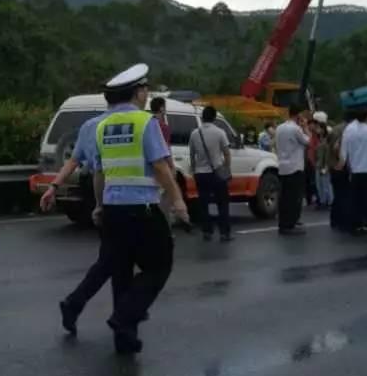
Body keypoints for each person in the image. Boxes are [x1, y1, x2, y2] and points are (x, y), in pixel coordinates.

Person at [91, 64, 189, 355]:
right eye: (145, 90)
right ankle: (123, 317)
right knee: (160, 265)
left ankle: (125, 338)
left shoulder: (102, 126)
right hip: (142, 208)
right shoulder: (146, 123)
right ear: (137, 92)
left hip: (112, 209)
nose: (147, 95)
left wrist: (98, 205)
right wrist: (179, 201)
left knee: (121, 270)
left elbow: (99, 172)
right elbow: (160, 166)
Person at [42, 100, 120, 337]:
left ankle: (115, 312)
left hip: (94, 187)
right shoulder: (128, 125)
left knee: (113, 257)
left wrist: (54, 186)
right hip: (113, 190)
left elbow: (73, 160)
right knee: (118, 256)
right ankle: (123, 314)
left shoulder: (89, 126)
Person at [190, 105, 233, 242]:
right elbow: (227, 154)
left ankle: (207, 231)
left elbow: (192, 155)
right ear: (214, 118)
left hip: (201, 174)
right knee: (222, 203)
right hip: (217, 173)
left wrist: (193, 169)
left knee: (203, 204)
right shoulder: (220, 132)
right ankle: (224, 233)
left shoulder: (194, 133)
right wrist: (226, 169)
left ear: (202, 117)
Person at [274, 104, 310, 235]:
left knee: (284, 197)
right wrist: (305, 127)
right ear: (298, 115)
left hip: (282, 166)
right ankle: (290, 224)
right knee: (294, 198)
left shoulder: (279, 127)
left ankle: (283, 222)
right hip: (295, 167)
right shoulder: (295, 129)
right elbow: (309, 141)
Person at [328, 112, 353, 231]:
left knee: (338, 194)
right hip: (341, 166)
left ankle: (334, 220)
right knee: (345, 195)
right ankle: (344, 222)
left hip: (332, 166)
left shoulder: (335, 129)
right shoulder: (347, 130)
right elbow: (337, 148)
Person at [313, 120, 334, 209]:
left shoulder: (327, 139)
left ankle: (330, 201)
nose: (317, 129)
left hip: (325, 164)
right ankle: (323, 201)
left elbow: (328, 153)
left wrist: (326, 165)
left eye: (319, 128)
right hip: (318, 164)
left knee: (326, 184)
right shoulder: (318, 139)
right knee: (319, 184)